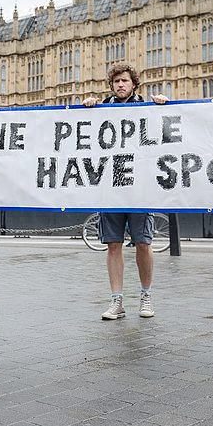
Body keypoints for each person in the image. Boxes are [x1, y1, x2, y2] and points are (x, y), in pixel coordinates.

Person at [83, 63, 168, 321]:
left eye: (125, 81)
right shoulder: (101, 110)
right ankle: (117, 301)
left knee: (144, 243)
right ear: (111, 85)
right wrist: (86, 106)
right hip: (110, 188)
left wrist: (165, 105)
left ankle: (146, 296)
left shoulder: (148, 109)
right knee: (113, 245)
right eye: (117, 81)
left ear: (134, 85)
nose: (121, 85)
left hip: (140, 187)